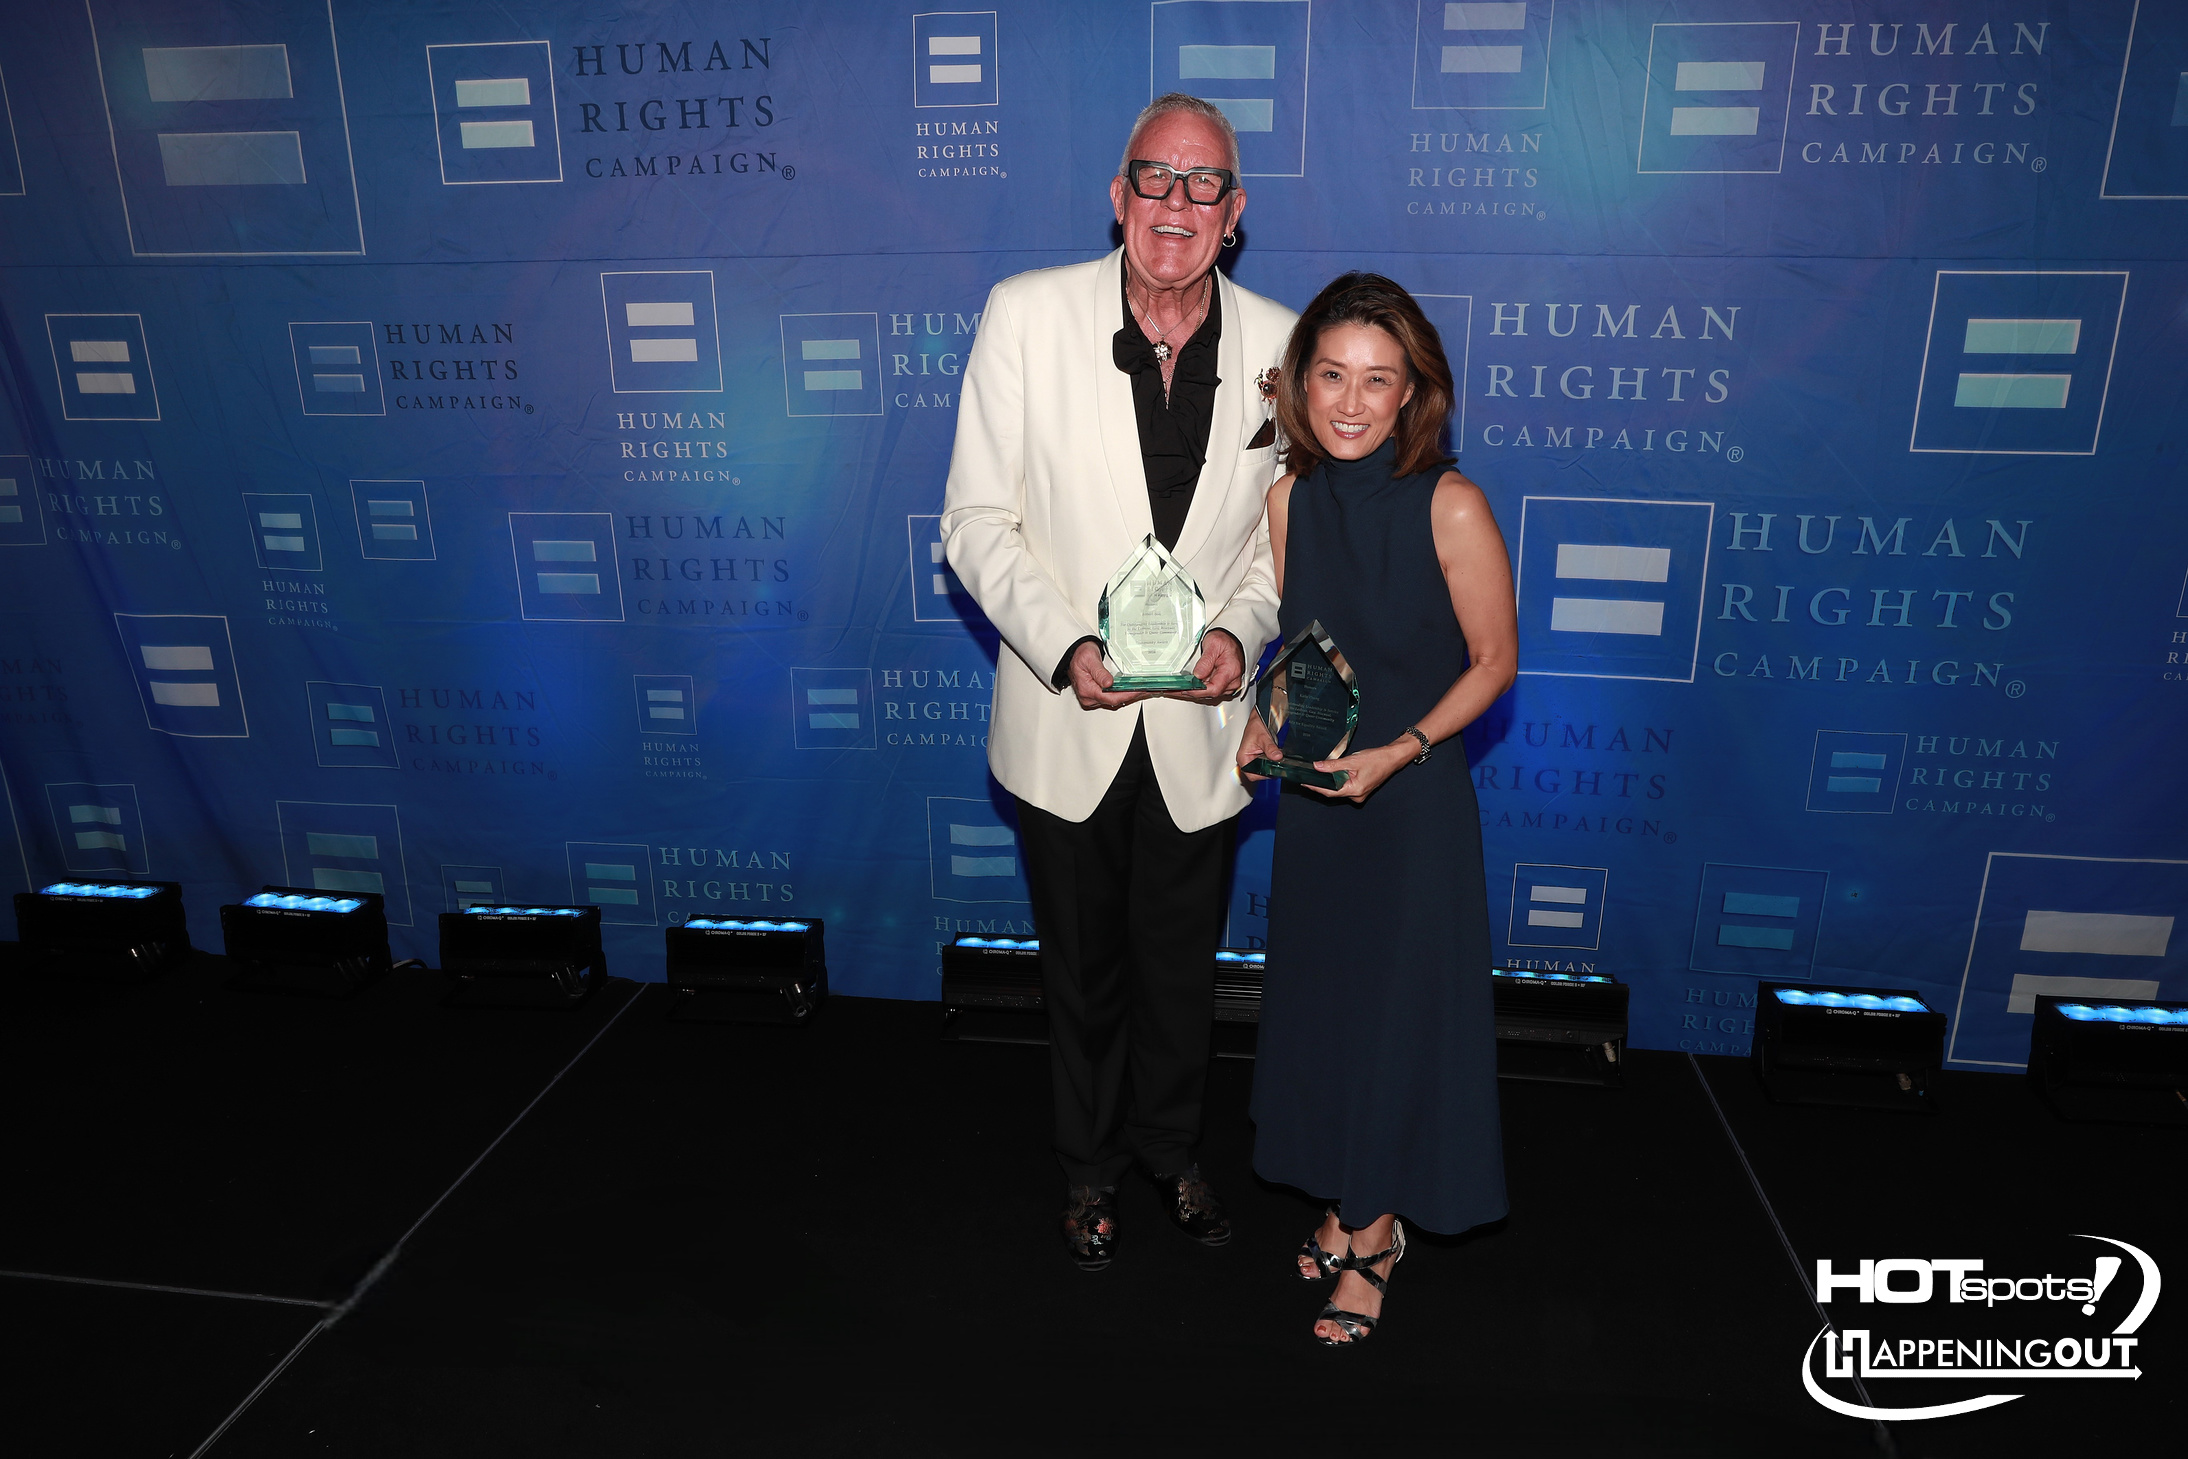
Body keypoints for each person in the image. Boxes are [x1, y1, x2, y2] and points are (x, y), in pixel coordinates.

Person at [942, 95, 1297, 1269]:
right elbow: (976, 523)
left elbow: (1272, 548)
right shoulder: (1025, 316)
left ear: (1234, 215)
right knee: (1081, 970)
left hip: (1201, 726)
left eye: (1204, 187)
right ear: (1117, 194)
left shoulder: (1284, 347)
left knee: (1180, 968)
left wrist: (1242, 637)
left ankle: (1172, 1153)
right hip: (1065, 714)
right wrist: (1063, 645)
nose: (1177, 206)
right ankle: (1086, 1170)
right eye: (1156, 179)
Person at [1236, 273, 1517, 1344]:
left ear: (1414, 394)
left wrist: (1398, 753)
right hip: (1318, 803)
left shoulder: (1450, 502)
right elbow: (1305, 650)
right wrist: (1264, 723)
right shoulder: (1288, 499)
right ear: (1299, 383)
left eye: (1378, 382)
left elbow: (1493, 662)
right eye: (1331, 376)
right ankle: (1345, 1189)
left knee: (1399, 1019)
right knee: (1329, 1010)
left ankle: (1376, 1229)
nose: (1350, 403)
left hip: (1411, 804)